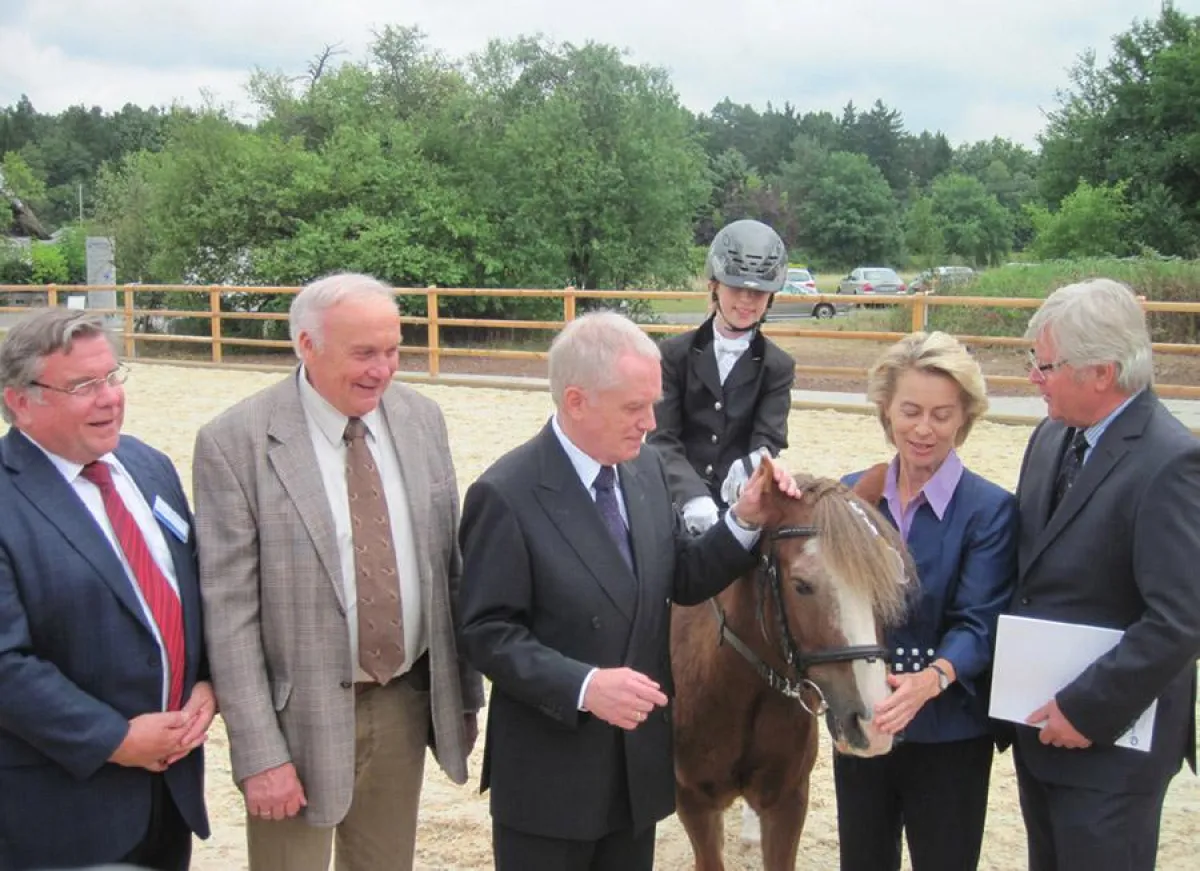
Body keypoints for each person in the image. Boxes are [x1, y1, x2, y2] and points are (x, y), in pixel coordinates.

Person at [456, 311, 800, 871]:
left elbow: (680, 576)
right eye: (634, 408)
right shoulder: (506, 492)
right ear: (576, 401)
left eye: (654, 404)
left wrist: (742, 519)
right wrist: (584, 685)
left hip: (635, 773)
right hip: (551, 779)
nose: (650, 423)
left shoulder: (642, 472)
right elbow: (485, 633)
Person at [192, 273, 484, 871]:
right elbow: (228, 615)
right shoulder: (233, 442)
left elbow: (446, 569)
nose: (383, 369)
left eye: (393, 349)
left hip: (402, 701)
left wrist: (463, 696)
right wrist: (258, 754)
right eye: (363, 353)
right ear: (307, 345)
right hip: (294, 725)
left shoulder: (422, 420)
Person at [0, 308, 213, 870]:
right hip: (60, 807)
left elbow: (190, 590)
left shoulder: (148, 466)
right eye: (83, 386)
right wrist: (114, 739)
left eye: (112, 376)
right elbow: (5, 663)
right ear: (21, 401)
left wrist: (206, 682)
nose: (109, 398)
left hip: (170, 795)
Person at [1009, 278, 1200, 871]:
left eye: (1046, 365)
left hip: (1113, 750)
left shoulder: (1170, 462)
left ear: (1102, 372)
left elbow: (1180, 618)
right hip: (1040, 736)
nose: (1033, 378)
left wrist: (1085, 709)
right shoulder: (1050, 435)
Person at [834, 331, 1017, 871]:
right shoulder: (851, 496)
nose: (923, 428)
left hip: (950, 731)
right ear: (886, 410)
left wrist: (931, 679)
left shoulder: (991, 510)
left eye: (942, 414)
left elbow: (979, 624)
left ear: (964, 417)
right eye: (910, 410)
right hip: (864, 719)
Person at [647, 218, 795, 536]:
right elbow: (662, 439)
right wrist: (692, 496)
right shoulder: (674, 354)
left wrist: (754, 463)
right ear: (714, 285)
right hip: (676, 498)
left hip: (739, 502)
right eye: (736, 288)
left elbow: (768, 436)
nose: (746, 301)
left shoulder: (778, 366)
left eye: (758, 294)